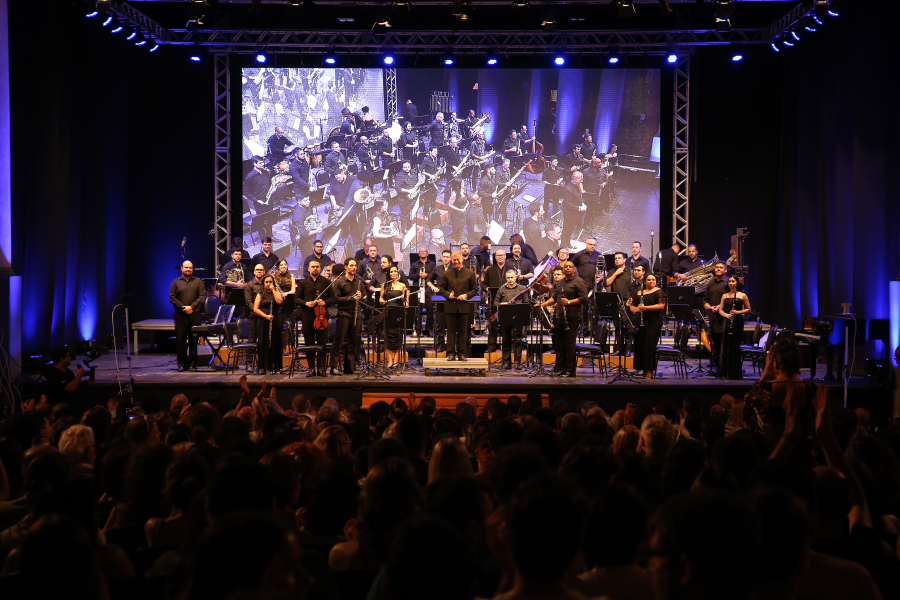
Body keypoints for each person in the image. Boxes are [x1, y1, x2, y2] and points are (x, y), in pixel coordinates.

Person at [540, 261, 588, 378]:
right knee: (559, 345)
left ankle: (570, 371)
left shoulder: (579, 282)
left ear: (573, 269)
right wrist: (543, 304)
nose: (567, 268)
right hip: (559, 316)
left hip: (572, 317)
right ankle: (560, 369)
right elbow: (555, 298)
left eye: (570, 267)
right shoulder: (560, 282)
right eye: (565, 267)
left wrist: (569, 302)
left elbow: (584, 298)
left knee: (569, 345)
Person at [438, 251, 478, 361]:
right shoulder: (447, 273)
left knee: (463, 331)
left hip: (464, 306)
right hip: (450, 306)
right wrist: (448, 295)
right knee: (450, 331)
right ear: (451, 260)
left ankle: (462, 354)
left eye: (458, 259)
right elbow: (442, 289)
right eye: (454, 260)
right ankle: (450, 353)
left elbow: (474, 290)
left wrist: (465, 295)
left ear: (462, 259)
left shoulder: (470, 273)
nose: (456, 262)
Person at [297, 258, 334, 377]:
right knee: (309, 342)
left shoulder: (326, 282)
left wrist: (325, 302)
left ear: (320, 268)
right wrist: (306, 303)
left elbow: (333, 298)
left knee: (322, 342)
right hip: (307, 315)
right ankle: (311, 368)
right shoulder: (303, 283)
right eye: (313, 267)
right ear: (308, 269)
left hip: (322, 316)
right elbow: (296, 299)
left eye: (317, 267)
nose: (315, 269)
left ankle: (322, 367)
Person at [627, 273, 666, 379]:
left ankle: (649, 370)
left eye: (653, 280)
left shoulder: (659, 292)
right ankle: (643, 368)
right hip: (640, 322)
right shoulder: (640, 292)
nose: (652, 281)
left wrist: (646, 308)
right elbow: (635, 308)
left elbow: (661, 306)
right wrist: (630, 306)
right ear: (645, 282)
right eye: (649, 280)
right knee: (640, 345)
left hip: (653, 322)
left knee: (649, 345)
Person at [169, 261, 205, 372]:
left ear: (193, 269)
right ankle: (181, 364)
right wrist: (183, 307)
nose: (188, 269)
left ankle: (192, 363)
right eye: (186, 268)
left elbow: (202, 297)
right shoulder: (175, 282)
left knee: (194, 340)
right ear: (181, 268)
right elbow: (172, 297)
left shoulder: (198, 282)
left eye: (190, 268)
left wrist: (192, 307)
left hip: (195, 315)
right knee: (181, 340)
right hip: (180, 315)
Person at [331, 258, 364, 375]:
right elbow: (335, 299)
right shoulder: (339, 282)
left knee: (354, 341)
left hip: (356, 314)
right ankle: (333, 366)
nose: (354, 268)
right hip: (344, 314)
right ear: (346, 267)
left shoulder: (359, 282)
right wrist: (351, 298)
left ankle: (349, 366)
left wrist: (361, 297)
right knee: (339, 341)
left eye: (355, 265)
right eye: (351, 265)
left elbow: (365, 299)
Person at [717, 275, 751, 380]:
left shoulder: (742, 295)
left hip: (737, 322)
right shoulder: (724, 295)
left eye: (733, 281)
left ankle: (734, 373)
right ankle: (724, 373)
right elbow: (720, 310)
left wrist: (737, 312)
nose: (731, 283)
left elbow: (748, 309)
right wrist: (726, 315)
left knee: (735, 345)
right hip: (727, 322)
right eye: (730, 281)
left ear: (737, 283)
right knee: (725, 346)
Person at [494, 269, 527, 370]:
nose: (510, 280)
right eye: (508, 278)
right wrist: (502, 304)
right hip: (506, 317)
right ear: (505, 278)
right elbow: (495, 303)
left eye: (512, 277)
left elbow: (526, 303)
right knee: (506, 340)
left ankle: (517, 362)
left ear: (516, 277)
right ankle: (507, 362)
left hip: (518, 317)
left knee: (518, 340)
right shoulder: (501, 289)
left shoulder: (522, 288)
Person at [379, 265, 410, 369]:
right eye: (391, 272)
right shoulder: (384, 285)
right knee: (387, 337)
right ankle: (389, 361)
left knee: (397, 337)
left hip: (398, 313)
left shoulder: (402, 286)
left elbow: (407, 304)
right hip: (387, 313)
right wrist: (381, 301)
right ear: (389, 273)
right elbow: (381, 299)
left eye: (395, 271)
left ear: (398, 273)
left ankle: (396, 360)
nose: (393, 273)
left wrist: (404, 299)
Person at [253, 274, 284, 375]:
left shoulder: (276, 292)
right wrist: (266, 316)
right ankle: (263, 366)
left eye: (270, 282)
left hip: (275, 320)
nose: (268, 284)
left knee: (275, 343)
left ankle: (275, 366)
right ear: (263, 283)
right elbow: (256, 309)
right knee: (264, 344)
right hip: (263, 320)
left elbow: (279, 301)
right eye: (266, 282)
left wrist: (274, 290)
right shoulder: (260, 293)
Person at [427, 250, 452, 351]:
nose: (445, 258)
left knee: (451, 323)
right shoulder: (437, 269)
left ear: (450, 258)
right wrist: (433, 287)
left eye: (447, 256)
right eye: (444, 256)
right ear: (442, 258)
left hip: (451, 298)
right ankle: (440, 344)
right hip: (440, 298)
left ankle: (451, 346)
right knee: (440, 323)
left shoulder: (454, 269)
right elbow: (428, 280)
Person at [409, 248, 436, 336]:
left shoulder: (432, 264)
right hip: (418, 289)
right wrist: (418, 275)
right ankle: (418, 330)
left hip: (428, 289)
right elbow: (410, 276)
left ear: (427, 254)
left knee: (430, 311)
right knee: (418, 310)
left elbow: (434, 276)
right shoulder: (414, 264)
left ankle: (429, 330)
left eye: (425, 252)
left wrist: (427, 275)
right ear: (419, 254)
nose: (423, 253)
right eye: (421, 252)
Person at [217, 249, 250, 316]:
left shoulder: (244, 266)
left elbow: (248, 280)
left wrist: (244, 285)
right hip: (230, 293)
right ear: (232, 256)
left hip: (242, 293)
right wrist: (236, 284)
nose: (238, 256)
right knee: (231, 315)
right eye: (236, 254)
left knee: (242, 314)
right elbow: (222, 280)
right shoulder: (227, 266)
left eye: (239, 254)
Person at [562, 171, 587, 247]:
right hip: (569, 214)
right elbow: (567, 204)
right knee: (566, 230)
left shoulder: (576, 186)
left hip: (573, 214)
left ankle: (567, 243)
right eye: (580, 179)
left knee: (570, 229)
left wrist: (581, 203)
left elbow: (577, 197)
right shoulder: (569, 189)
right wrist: (579, 208)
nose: (581, 181)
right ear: (575, 179)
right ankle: (563, 245)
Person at [244, 264, 266, 345]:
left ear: (264, 272)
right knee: (252, 339)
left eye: (261, 270)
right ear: (254, 272)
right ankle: (249, 358)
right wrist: (258, 312)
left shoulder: (266, 284)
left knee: (264, 340)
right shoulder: (250, 285)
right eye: (257, 270)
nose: (259, 272)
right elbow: (248, 302)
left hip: (265, 316)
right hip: (254, 316)